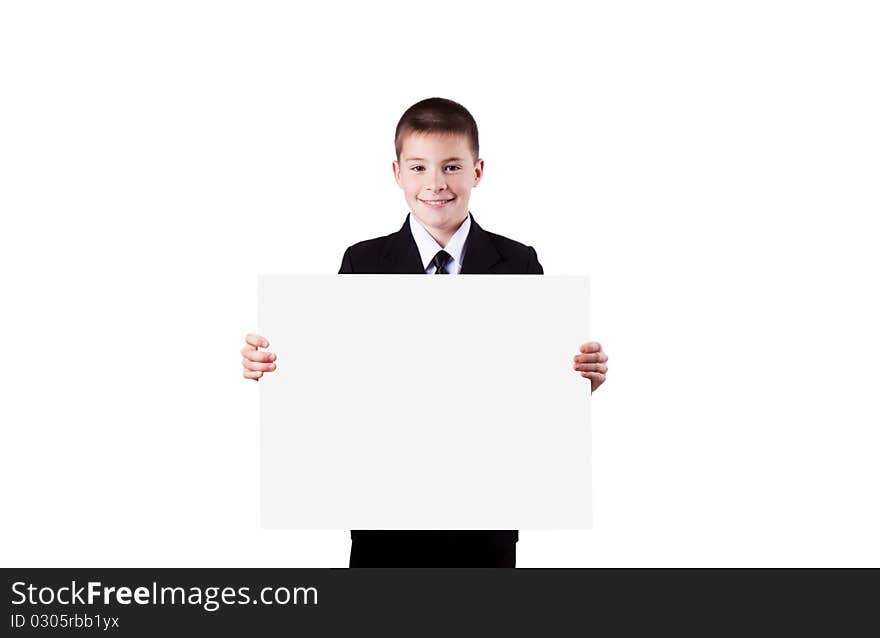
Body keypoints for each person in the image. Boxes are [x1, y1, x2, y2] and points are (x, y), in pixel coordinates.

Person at [241, 97, 609, 567]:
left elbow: (533, 385)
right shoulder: (364, 263)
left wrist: (578, 381)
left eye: (451, 166)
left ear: (477, 171)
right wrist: (273, 364)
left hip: (485, 522)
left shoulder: (519, 263)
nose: (435, 183)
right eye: (418, 167)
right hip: (385, 521)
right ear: (397, 172)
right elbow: (335, 374)